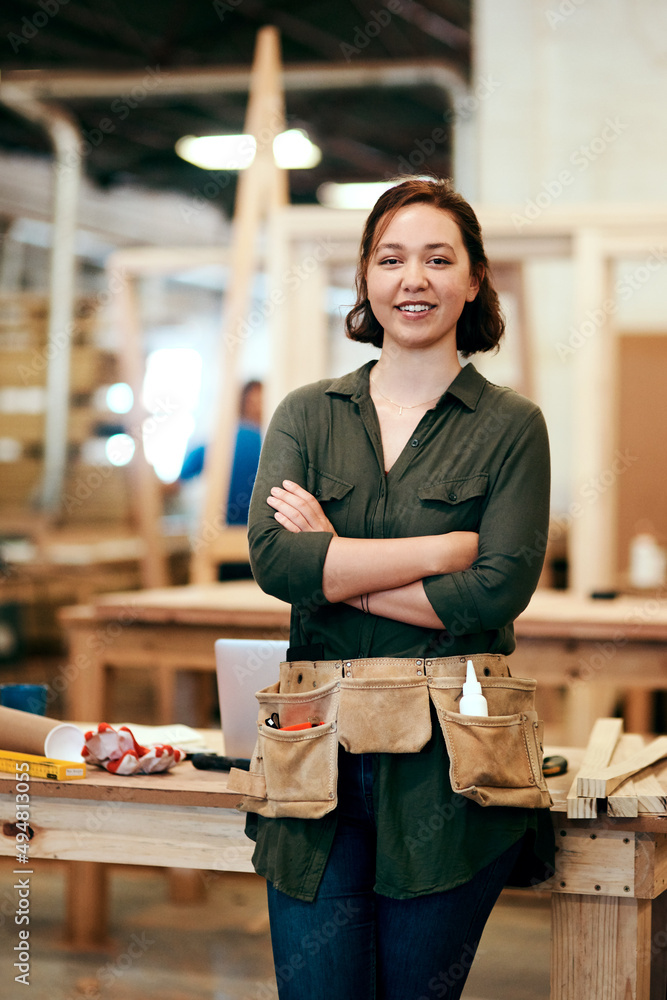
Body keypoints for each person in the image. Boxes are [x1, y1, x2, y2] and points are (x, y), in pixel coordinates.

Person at [245, 177, 555, 1000]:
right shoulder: (307, 416)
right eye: (390, 258)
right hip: (314, 752)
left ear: (473, 278)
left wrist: (336, 566)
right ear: (365, 279)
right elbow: (278, 564)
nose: (411, 278)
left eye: (436, 258)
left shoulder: (509, 426)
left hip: (451, 767)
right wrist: (438, 551)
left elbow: (494, 593)